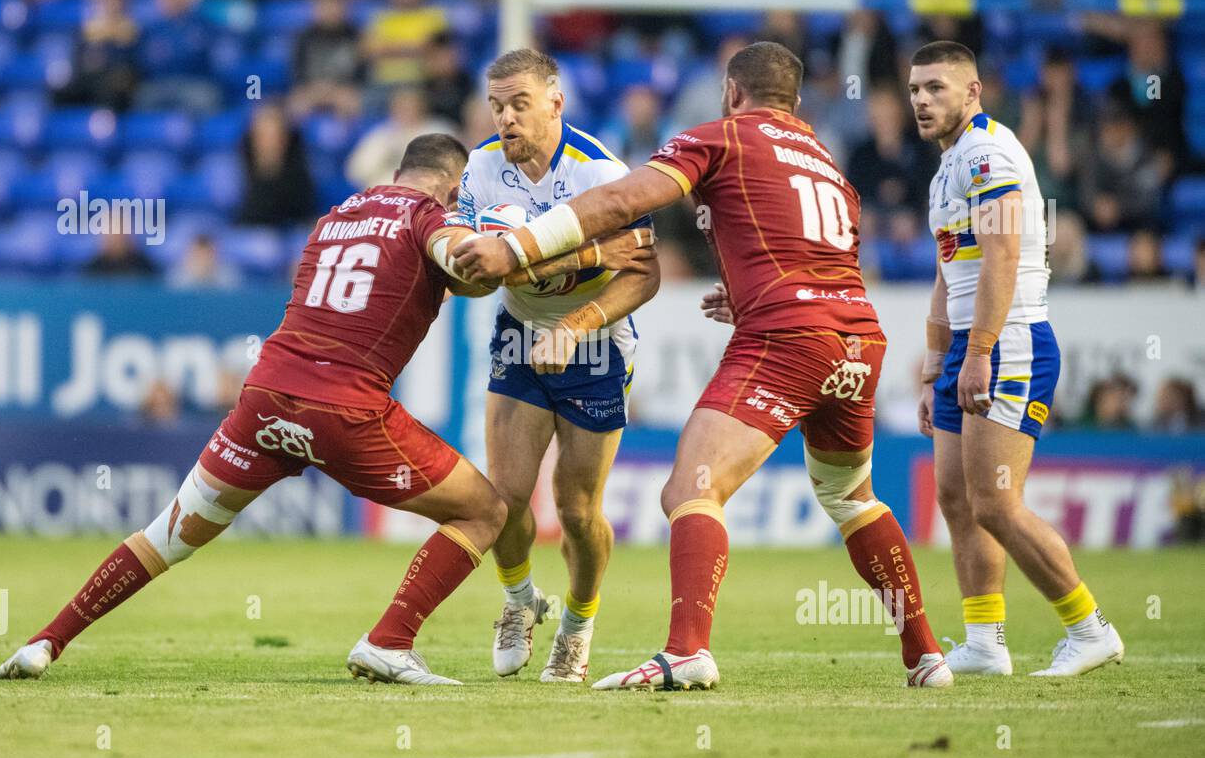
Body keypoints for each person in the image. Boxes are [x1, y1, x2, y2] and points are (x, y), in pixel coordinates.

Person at [454, 42, 951, 690]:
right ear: (794, 104)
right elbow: (821, 260)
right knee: (851, 497)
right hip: (857, 340)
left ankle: (686, 650)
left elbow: (622, 202)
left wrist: (519, 244)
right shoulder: (829, 164)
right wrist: (748, 296)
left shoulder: (721, 137)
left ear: (731, 93)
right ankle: (926, 655)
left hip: (787, 339)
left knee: (690, 489)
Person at [0, 135, 513, 686]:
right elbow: (462, 260)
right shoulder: (428, 216)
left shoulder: (335, 216)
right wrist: (511, 245)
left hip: (266, 396)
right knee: (484, 511)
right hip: (345, 408)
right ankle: (389, 640)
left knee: (166, 535)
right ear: (455, 186)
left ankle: (45, 642)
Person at [908, 40, 1123, 677]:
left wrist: (976, 352)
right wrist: (933, 366)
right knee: (955, 496)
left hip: (1008, 340)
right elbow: (950, 272)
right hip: (969, 349)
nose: (921, 100)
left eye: (936, 88)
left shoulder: (988, 152)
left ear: (973, 92)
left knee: (997, 502)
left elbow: (1001, 255)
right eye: (916, 89)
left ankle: (1089, 627)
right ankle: (984, 642)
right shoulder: (949, 165)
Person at [455, 48, 660, 683]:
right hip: (519, 337)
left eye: (519, 104)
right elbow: (468, 279)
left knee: (575, 510)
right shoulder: (481, 168)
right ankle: (519, 604)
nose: (505, 119)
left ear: (556, 103)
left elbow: (644, 273)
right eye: (496, 106)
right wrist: (494, 268)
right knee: (505, 500)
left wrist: (574, 325)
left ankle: (578, 623)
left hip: (595, 345)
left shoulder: (600, 171)